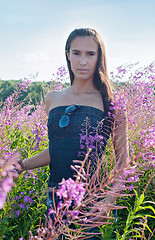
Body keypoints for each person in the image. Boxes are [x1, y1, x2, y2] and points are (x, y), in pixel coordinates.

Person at [16, 28, 128, 239]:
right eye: (76, 53)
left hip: (90, 203)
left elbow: (123, 161)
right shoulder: (52, 98)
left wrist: (109, 201)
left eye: (90, 54)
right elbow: (60, 148)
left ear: (99, 57)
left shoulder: (112, 103)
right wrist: (23, 165)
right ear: (67, 54)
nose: (83, 61)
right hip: (54, 200)